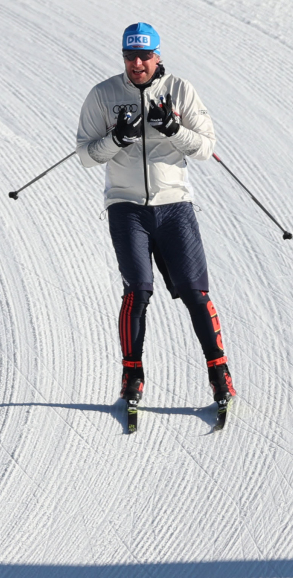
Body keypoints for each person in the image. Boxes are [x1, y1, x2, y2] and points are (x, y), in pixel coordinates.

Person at [76, 21, 236, 410]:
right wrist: (116, 139)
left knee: (196, 293)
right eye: (130, 56)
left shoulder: (180, 90)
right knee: (138, 291)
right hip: (126, 207)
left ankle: (219, 374)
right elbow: (84, 155)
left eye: (145, 56)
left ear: (158, 55)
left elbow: (205, 146)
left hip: (174, 205)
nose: (137, 64)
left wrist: (174, 129)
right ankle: (132, 376)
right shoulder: (104, 94)